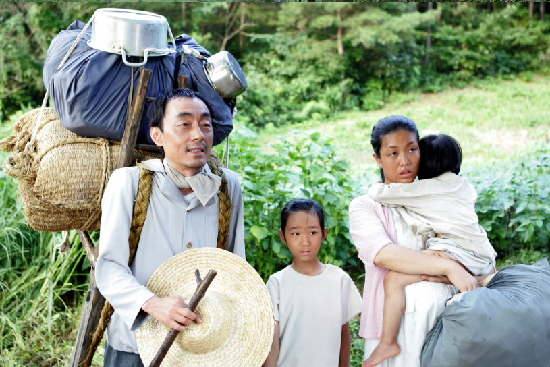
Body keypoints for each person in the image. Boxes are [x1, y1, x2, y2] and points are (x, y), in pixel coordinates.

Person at [95, 88, 245, 367]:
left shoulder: (228, 186)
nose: (198, 135)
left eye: (205, 125)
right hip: (135, 345)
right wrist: (152, 303)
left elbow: (235, 267)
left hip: (201, 345)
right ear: (157, 136)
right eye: (184, 124)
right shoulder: (128, 183)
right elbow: (109, 267)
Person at [349, 115, 494, 367]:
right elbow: (384, 254)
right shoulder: (365, 206)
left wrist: (458, 269)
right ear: (378, 159)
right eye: (393, 153)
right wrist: (449, 268)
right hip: (396, 323)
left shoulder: (433, 197)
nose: (404, 161)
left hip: (444, 314)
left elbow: (465, 247)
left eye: (412, 150)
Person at [262, 199, 362, 367]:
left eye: (312, 233)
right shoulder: (276, 283)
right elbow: (272, 344)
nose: (305, 241)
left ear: (324, 234)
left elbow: (344, 335)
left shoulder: (339, 280)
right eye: (296, 233)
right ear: (283, 236)